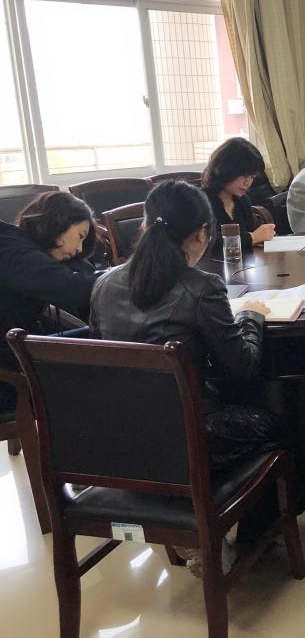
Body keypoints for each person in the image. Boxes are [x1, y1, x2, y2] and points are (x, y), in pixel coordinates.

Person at [89, 181, 287, 570]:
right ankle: (238, 535)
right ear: (201, 234)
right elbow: (244, 367)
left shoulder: (104, 284)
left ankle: (183, 519)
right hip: (188, 438)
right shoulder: (201, 288)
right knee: (275, 422)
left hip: (119, 439)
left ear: (145, 225)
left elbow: (100, 358)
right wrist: (251, 316)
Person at [0, 192, 99, 412]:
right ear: (59, 222)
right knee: (107, 358)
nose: (79, 248)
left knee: (95, 340)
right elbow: (74, 291)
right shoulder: (16, 254)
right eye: (80, 236)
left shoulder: (16, 244)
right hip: (10, 381)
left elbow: (80, 273)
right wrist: (120, 279)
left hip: (14, 355)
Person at [201, 137, 276, 251]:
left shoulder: (242, 200)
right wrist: (252, 237)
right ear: (227, 170)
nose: (248, 183)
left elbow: (252, 234)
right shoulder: (201, 202)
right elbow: (207, 242)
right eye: (244, 175)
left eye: (252, 177)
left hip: (243, 261)